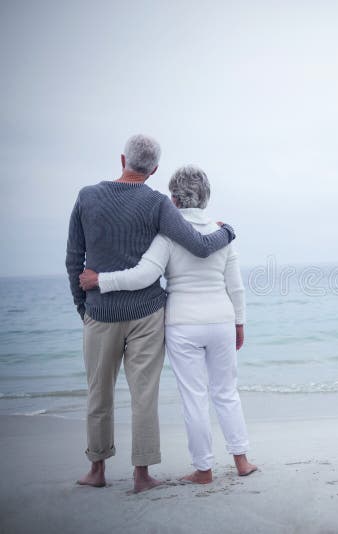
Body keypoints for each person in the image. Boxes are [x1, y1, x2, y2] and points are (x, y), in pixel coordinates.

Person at [66, 134, 236, 493]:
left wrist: (84, 307)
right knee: (144, 396)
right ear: (155, 168)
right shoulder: (158, 204)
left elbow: (73, 259)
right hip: (147, 314)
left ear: (122, 158)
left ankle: (97, 470)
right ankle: (142, 476)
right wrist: (230, 232)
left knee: (99, 394)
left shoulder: (87, 196)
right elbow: (201, 246)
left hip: (100, 312)